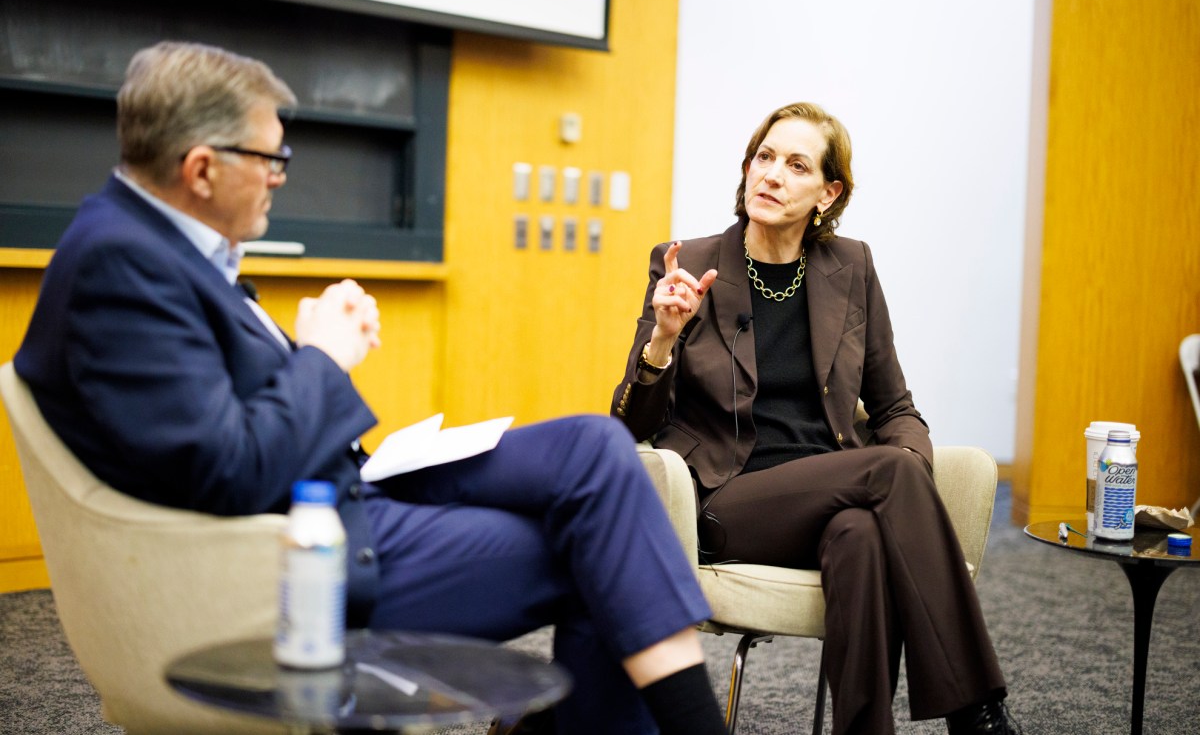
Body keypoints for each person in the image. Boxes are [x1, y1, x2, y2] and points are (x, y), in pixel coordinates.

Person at [13, 41, 729, 735]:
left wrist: (302, 352)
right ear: (201, 169)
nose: (280, 175)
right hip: (294, 556)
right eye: (271, 157)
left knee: (595, 446)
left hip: (340, 490)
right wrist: (322, 355)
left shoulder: (152, 247)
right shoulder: (121, 266)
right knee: (609, 549)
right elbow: (228, 471)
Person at [611, 102, 1020, 735]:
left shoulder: (850, 268)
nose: (770, 175)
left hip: (835, 495)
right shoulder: (685, 262)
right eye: (764, 157)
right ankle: (976, 712)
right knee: (887, 476)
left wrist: (904, 473)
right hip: (727, 500)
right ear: (747, 169)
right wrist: (663, 339)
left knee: (861, 532)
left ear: (828, 193)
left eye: (796, 165)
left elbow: (894, 408)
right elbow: (630, 425)